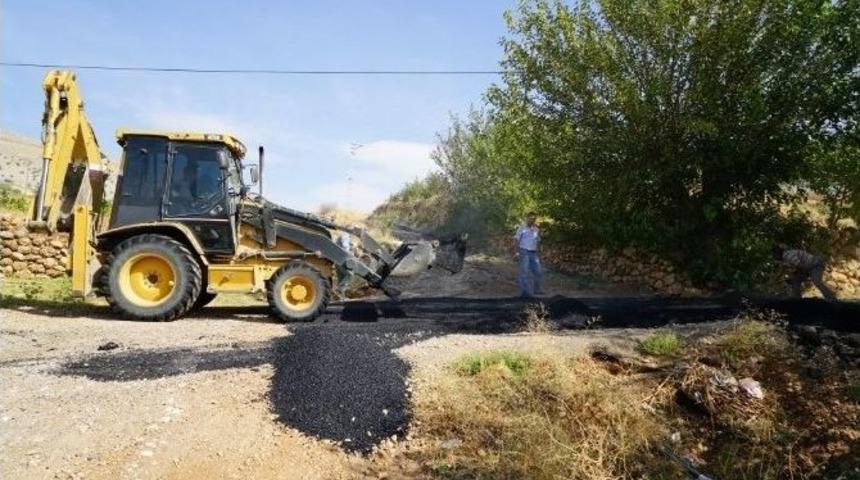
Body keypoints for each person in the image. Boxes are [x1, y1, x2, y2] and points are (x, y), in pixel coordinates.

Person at [514, 211, 542, 297]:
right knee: (524, 272)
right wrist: (517, 252)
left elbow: (538, 241)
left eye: (534, 218)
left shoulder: (536, 229)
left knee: (538, 271)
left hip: (533, 252)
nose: (532, 220)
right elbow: (516, 240)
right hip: (524, 251)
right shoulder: (522, 228)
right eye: (530, 218)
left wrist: (539, 251)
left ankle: (536, 290)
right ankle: (525, 292)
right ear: (527, 218)